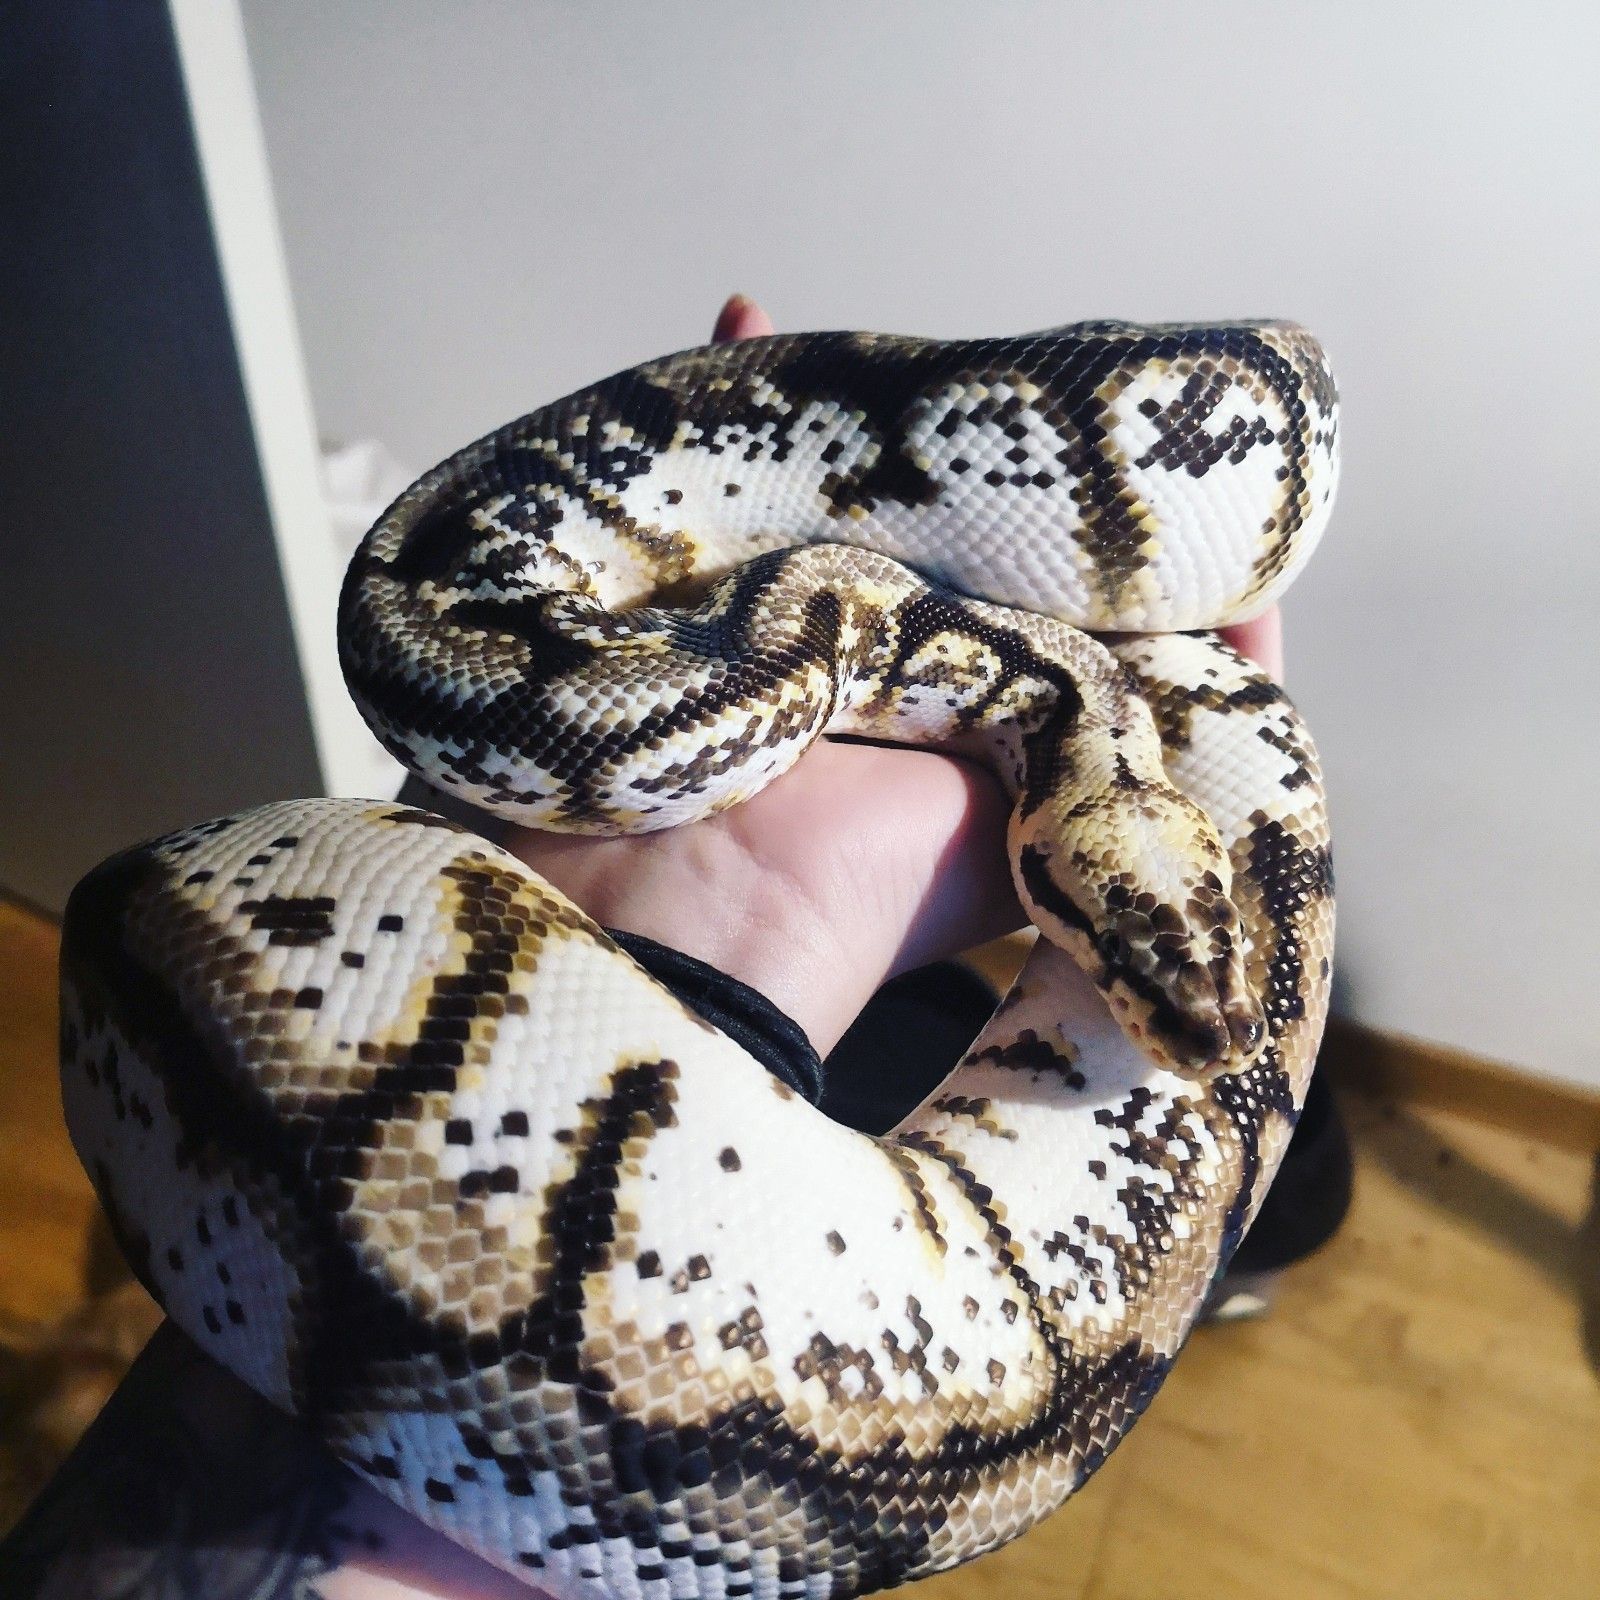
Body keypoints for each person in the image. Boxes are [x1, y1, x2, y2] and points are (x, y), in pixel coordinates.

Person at [0, 296, 1322, 1600]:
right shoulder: (997, 719)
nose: (1201, 1027)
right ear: (1054, 849)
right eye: (1120, 951)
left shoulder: (1037, 750)